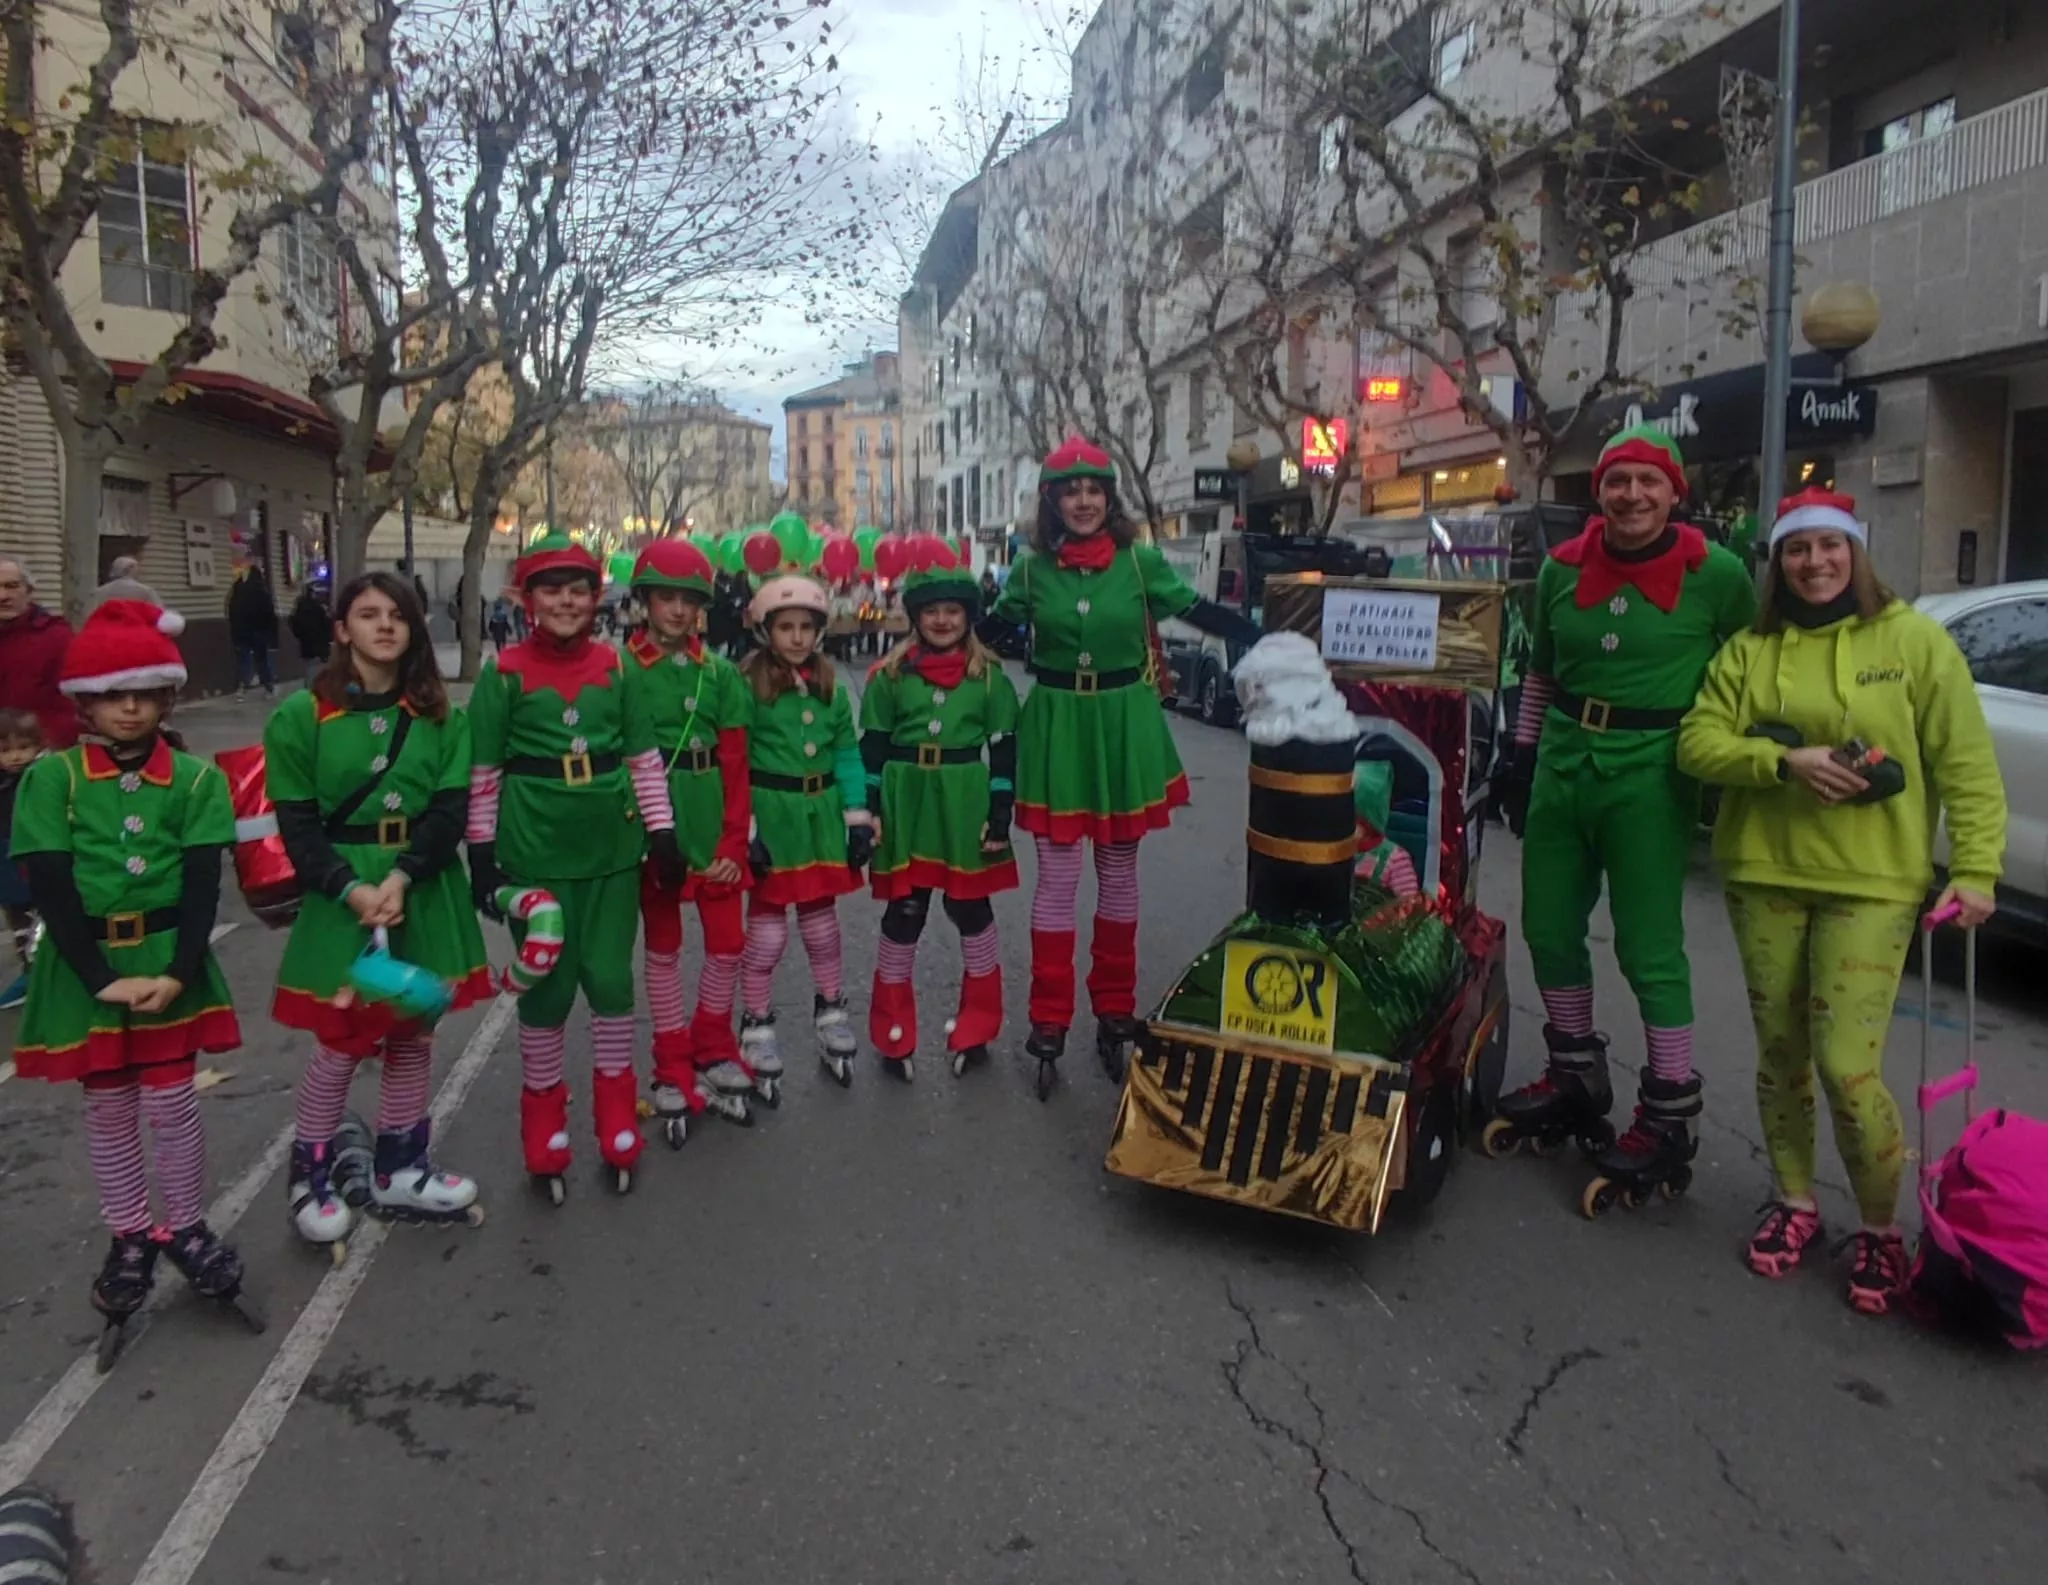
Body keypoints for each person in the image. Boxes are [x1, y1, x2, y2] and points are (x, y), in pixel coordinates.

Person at [1677, 489, 2006, 1312]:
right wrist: (1780, 762)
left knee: (1845, 1064)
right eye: (1796, 549)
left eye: (1829, 547)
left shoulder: (1914, 641)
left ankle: (1881, 1228)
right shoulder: (1752, 650)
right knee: (1780, 1053)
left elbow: (1965, 760)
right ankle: (1795, 1203)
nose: (1813, 562)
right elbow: (1697, 742)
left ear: (1855, 552)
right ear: (1778, 561)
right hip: (1765, 872)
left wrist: (1976, 870)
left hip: (1873, 882)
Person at [1490, 425, 1759, 1209]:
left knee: (1647, 946)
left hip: (1652, 771)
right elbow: (1540, 667)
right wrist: (1521, 751)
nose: (1632, 495)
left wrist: (1739, 747)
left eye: (1649, 481)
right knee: (1547, 924)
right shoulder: (1561, 568)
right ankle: (1574, 1068)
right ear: (1598, 491)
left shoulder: (1720, 574)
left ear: (1676, 492)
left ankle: (1670, 1105)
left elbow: (1752, 666)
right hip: (1565, 765)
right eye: (1617, 482)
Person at [9, 599, 257, 1349]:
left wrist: (180, 972)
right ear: (85, 702)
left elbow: (201, 884)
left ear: (165, 698)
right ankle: (128, 1235)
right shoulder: (54, 782)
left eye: (144, 693)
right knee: (110, 1108)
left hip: (165, 960)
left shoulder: (191, 780)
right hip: (89, 967)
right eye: (114, 693)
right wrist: (96, 978)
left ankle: (183, 1224)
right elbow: (48, 881)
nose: (128, 706)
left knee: (174, 1106)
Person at [981, 436, 1259, 1085]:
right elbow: (986, 631)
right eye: (1070, 491)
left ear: (1109, 497)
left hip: (1122, 724)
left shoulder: (1140, 562)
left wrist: (1266, 631)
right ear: (1052, 501)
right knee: (1055, 877)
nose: (1083, 500)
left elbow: (1196, 611)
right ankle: (1048, 1015)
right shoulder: (1029, 569)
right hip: (1055, 723)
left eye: (1094, 489)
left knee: (1117, 870)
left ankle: (1114, 1008)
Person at [265, 572, 493, 1253]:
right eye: (368, 614)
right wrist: (351, 888)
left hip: (417, 882)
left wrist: (400, 875)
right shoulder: (301, 716)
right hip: (344, 889)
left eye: (399, 614)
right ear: (341, 629)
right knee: (342, 1035)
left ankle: (401, 1163)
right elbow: (297, 824)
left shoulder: (441, 715)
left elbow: (449, 809)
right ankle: (309, 1172)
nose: (385, 625)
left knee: (412, 1030)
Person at [465, 532, 681, 1200]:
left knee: (611, 980)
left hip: (612, 853)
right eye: (551, 588)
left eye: (578, 588)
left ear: (597, 597)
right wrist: (481, 855)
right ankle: (544, 1125)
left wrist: (663, 832)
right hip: (535, 853)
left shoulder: (618, 668)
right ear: (527, 599)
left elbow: (643, 759)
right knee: (548, 989)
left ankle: (616, 1114)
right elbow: (483, 772)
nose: (566, 600)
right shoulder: (502, 675)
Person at [860, 541, 1020, 1081]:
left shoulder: (990, 676)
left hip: (963, 798)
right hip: (907, 801)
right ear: (916, 617)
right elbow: (873, 749)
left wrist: (1001, 813)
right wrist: (869, 808)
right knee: (905, 913)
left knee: (970, 911)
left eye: (953, 612)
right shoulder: (889, 674)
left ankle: (979, 1021)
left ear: (968, 617)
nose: (943, 621)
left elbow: (1003, 749)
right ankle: (892, 1029)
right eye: (932, 611)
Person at [622, 540, 758, 1137]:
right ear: (645, 601)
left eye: (688, 601)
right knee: (663, 948)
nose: (677, 610)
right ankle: (671, 1058)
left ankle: (713, 1040)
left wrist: (733, 845)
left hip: (710, 814)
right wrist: (653, 836)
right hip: (656, 823)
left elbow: (737, 764)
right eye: (665, 598)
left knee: (728, 942)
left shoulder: (721, 673)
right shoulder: (619, 669)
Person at [736, 562, 873, 1087]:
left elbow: (846, 755)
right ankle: (756, 1018)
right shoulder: (748, 686)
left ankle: (831, 1008)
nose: (797, 637)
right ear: (766, 631)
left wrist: (857, 818)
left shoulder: (831, 688)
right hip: (773, 816)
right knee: (767, 935)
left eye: (806, 628)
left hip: (819, 816)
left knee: (822, 927)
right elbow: (738, 762)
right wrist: (746, 830)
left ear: (819, 632)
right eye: (785, 627)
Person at [0, 555, 77, 748]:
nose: (3, 596)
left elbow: (70, 704)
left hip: (36, 753)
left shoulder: (56, 637)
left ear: (28, 590)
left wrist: (43, 746)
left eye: (12, 586)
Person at [0, 707, 45, 1010]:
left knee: (42, 914)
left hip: (37, 854)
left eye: (23, 748)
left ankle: (43, 970)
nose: (15, 756)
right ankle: (28, 970)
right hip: (5, 856)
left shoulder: (42, 777)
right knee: (16, 913)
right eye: (5, 750)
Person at [227, 561, 278, 698]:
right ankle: (268, 687)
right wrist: (271, 633)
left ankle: (242, 687)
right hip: (259, 632)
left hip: (242, 632)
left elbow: (233, 612)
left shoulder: (238, 592)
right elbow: (269, 614)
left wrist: (235, 631)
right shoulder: (262, 591)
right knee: (262, 659)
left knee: (243, 660)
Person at [288, 582, 332, 683]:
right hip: (320, 646)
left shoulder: (300, 608)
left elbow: (294, 624)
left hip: (306, 645)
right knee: (319, 671)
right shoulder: (320, 608)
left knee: (308, 669)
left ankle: (309, 691)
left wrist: (300, 636)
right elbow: (327, 625)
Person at [91, 555, 159, 609]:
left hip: (107, 625)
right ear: (130, 569)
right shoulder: (145, 591)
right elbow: (157, 611)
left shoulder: (101, 591)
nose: (139, 571)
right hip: (135, 625)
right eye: (136, 568)